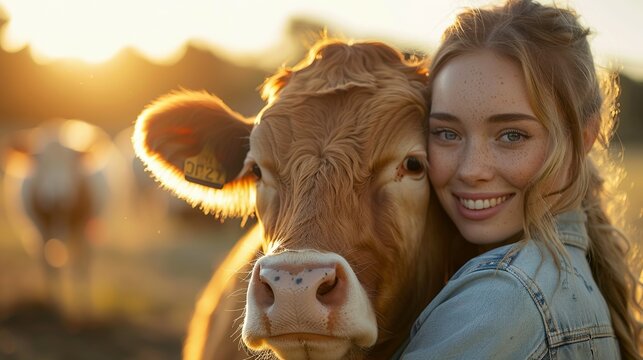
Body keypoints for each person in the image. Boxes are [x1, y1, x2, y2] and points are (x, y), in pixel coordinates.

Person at [394, 0, 642, 358]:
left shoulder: (504, 300)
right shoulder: (564, 279)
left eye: (512, 135)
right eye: (447, 133)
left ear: (584, 136)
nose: (471, 170)